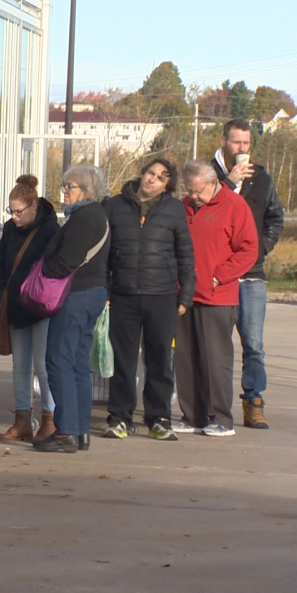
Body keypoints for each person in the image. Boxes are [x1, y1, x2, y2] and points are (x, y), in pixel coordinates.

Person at [103, 158, 195, 442]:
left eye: (161, 177)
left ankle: (159, 418)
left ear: (168, 185)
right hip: (123, 296)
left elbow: (185, 255)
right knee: (123, 361)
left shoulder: (174, 209)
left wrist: (185, 295)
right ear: (142, 174)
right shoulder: (114, 206)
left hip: (162, 296)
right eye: (151, 173)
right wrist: (106, 292)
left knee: (159, 361)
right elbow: (103, 254)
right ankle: (120, 417)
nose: (153, 179)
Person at [174, 161, 258, 437]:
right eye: (189, 191)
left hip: (217, 297)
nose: (193, 196)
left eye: (197, 191)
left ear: (213, 183)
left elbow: (248, 250)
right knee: (186, 359)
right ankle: (192, 415)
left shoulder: (234, 206)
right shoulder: (182, 207)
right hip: (184, 296)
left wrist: (218, 276)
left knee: (215, 360)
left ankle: (221, 417)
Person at [32, 165, 111, 454]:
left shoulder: (84, 217)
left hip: (76, 295)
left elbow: (68, 260)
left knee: (59, 360)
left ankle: (66, 431)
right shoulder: (97, 215)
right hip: (91, 294)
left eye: (70, 186)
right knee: (77, 362)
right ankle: (79, 429)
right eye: (65, 186)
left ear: (86, 190)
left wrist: (44, 271)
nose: (64, 191)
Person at [211, 119, 284, 430]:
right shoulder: (207, 174)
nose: (242, 150)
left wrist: (259, 250)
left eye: (246, 144)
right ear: (224, 141)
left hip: (251, 276)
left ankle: (253, 401)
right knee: (216, 344)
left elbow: (275, 219)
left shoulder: (262, 177)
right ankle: (213, 405)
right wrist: (228, 181)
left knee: (253, 343)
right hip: (217, 274)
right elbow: (199, 211)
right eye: (236, 143)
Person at [0, 175, 60, 443]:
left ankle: (50, 418)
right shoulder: (10, 229)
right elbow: (2, 262)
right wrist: (2, 288)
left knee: (43, 365)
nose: (15, 216)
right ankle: (22, 418)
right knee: (20, 364)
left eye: (19, 211)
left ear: (33, 206)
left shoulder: (50, 230)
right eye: (11, 211)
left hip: (42, 305)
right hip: (17, 305)